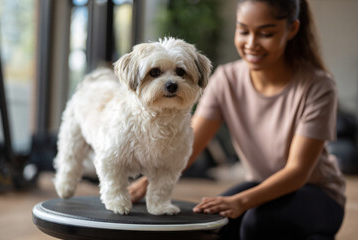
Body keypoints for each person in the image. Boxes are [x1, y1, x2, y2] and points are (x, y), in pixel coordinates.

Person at [128, 0, 346, 239]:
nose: (251, 43)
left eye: (266, 33)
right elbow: (188, 147)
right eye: (243, 30)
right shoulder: (226, 79)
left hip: (317, 193)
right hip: (261, 183)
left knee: (256, 224)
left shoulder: (318, 86)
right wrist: (145, 185)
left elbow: (297, 171)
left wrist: (241, 201)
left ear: (292, 29)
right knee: (213, 222)